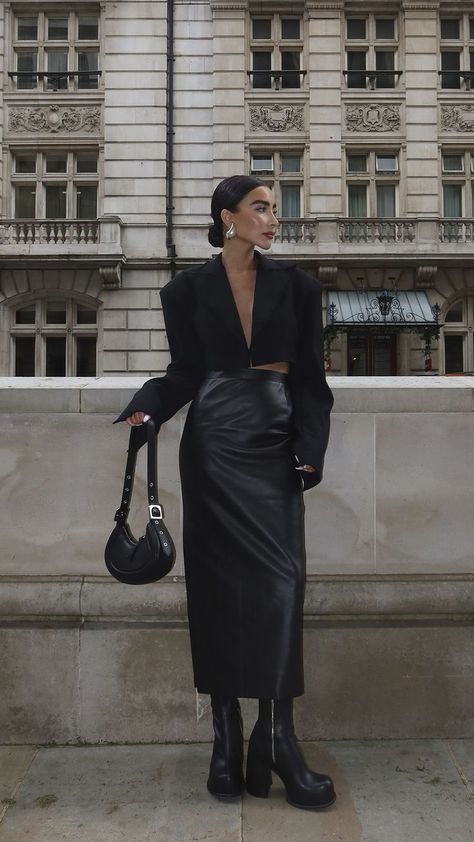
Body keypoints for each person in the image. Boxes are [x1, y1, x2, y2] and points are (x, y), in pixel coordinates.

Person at [115, 175, 336, 810]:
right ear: (228, 217)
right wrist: (146, 408)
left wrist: (308, 452)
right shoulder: (184, 290)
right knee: (215, 591)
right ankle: (225, 737)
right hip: (213, 444)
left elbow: (314, 383)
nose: (274, 218)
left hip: (274, 447)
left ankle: (279, 739)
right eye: (261, 208)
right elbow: (185, 372)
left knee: (280, 587)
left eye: (275, 209)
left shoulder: (299, 287)